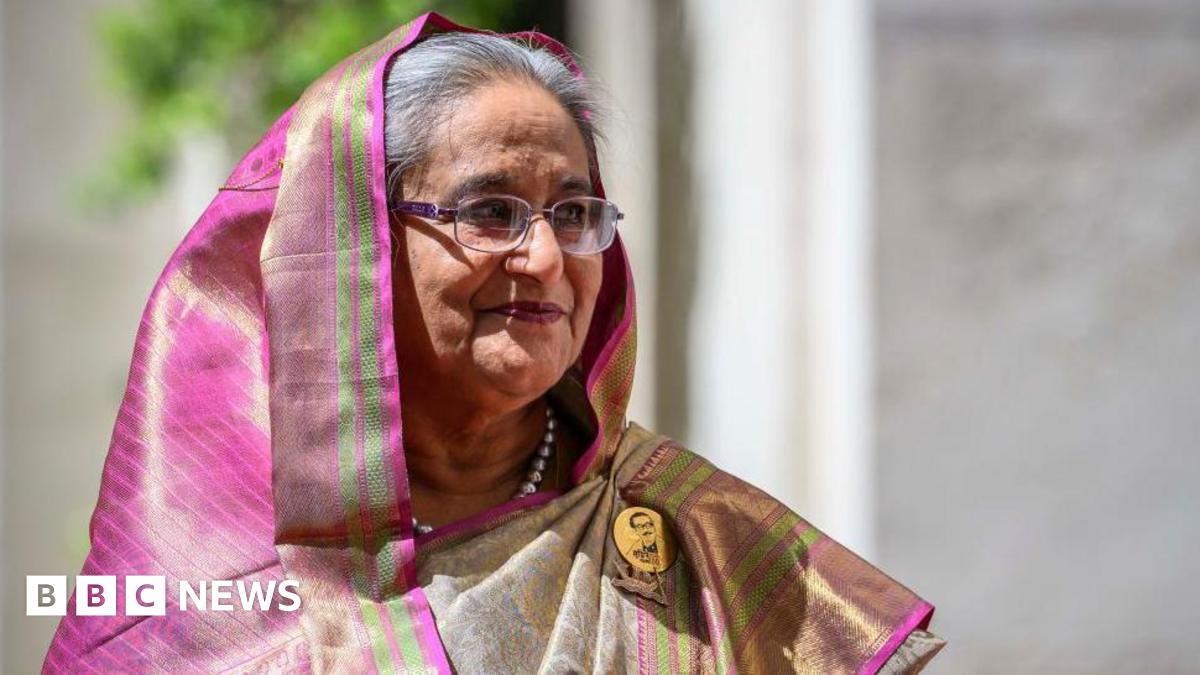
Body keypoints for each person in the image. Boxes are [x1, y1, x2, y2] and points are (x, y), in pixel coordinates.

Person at [44, 12, 943, 673]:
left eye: (575, 212)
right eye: (490, 212)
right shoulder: (201, 562)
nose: (547, 256)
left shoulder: (707, 543)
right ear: (354, 248)